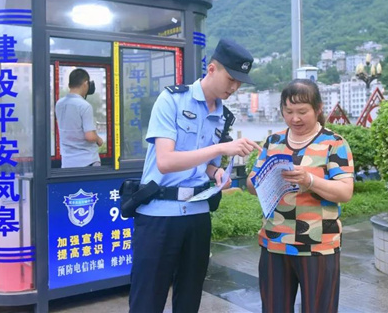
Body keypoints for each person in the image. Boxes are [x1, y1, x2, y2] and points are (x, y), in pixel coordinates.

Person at [129, 39, 262, 313]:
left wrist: (218, 172)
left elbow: (207, 166)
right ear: (212, 69)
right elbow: (166, 161)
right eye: (231, 79)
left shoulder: (223, 116)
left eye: (239, 83)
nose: (234, 87)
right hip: (160, 215)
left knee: (189, 299)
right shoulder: (172, 100)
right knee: (147, 300)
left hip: (198, 215)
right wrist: (221, 149)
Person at [247, 78, 354, 313]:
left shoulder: (334, 143)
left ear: (318, 109)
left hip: (318, 245)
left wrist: (310, 181)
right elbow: (251, 185)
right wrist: (266, 178)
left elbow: (345, 191)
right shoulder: (273, 141)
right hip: (275, 242)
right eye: (288, 112)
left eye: (302, 112)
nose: (295, 118)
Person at [55, 68, 103, 168]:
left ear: (69, 85)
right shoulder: (84, 106)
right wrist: (99, 139)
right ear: (85, 84)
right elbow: (90, 136)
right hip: (87, 162)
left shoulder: (59, 104)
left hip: (67, 162)